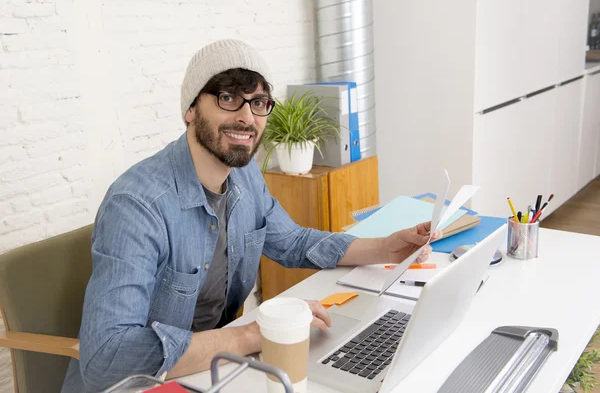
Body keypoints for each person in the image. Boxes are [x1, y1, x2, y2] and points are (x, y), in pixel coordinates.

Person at [61, 39, 441, 392]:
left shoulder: (243, 174)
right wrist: (251, 336)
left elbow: (291, 242)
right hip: (145, 384)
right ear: (190, 110)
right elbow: (106, 359)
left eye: (259, 103)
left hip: (216, 370)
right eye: (228, 97)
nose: (247, 116)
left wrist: (385, 249)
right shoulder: (138, 205)